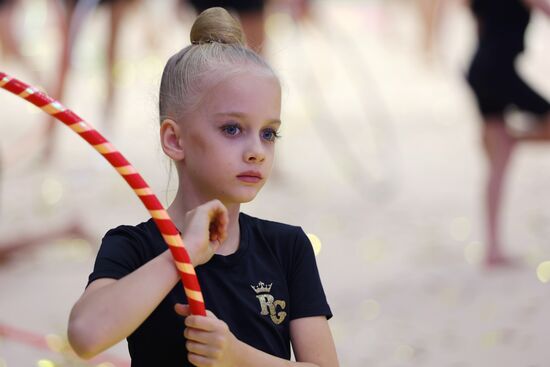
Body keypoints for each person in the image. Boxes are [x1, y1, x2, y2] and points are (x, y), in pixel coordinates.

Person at [67, 7, 338, 366]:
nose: (257, 151)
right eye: (232, 129)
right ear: (174, 140)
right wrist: (182, 254)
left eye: (269, 133)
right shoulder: (134, 247)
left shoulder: (288, 249)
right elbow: (86, 336)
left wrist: (237, 356)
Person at [466, 0, 550, 267]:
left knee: (497, 166)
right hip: (499, 71)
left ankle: (492, 248)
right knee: (500, 159)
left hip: (480, 70)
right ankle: (514, 138)